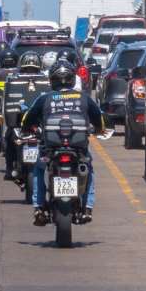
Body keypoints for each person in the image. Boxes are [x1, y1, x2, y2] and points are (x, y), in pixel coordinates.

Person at [20, 60, 107, 225]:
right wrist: (98, 130)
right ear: (72, 79)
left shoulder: (44, 98)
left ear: (51, 80)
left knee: (39, 169)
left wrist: (27, 129)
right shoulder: (84, 98)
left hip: (50, 149)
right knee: (88, 169)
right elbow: (99, 121)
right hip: (78, 149)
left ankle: (38, 207)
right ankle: (88, 207)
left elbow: (27, 119)